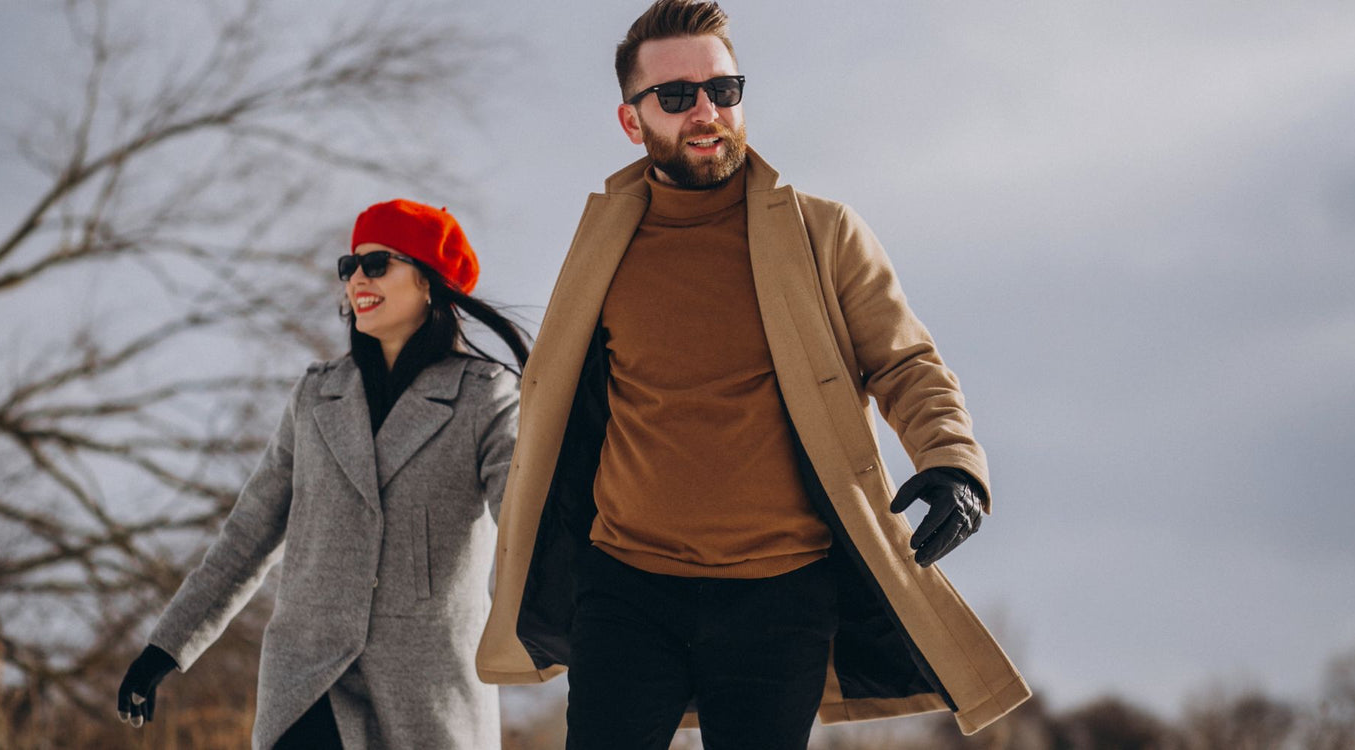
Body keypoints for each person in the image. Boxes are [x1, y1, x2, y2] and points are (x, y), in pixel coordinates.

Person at [474, 1, 1030, 747]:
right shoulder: (602, 245)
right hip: (625, 585)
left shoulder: (822, 232)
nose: (706, 111)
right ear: (631, 121)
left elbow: (905, 361)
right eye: (677, 97)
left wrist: (954, 462)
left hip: (781, 594)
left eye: (723, 90)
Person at [116, 200, 527, 749]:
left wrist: (583, 625)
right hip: (308, 685)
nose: (358, 277)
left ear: (429, 282)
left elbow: (527, 525)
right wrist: (165, 648)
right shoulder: (316, 396)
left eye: (377, 263)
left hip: (427, 696)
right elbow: (249, 535)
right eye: (349, 266)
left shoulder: (485, 397)